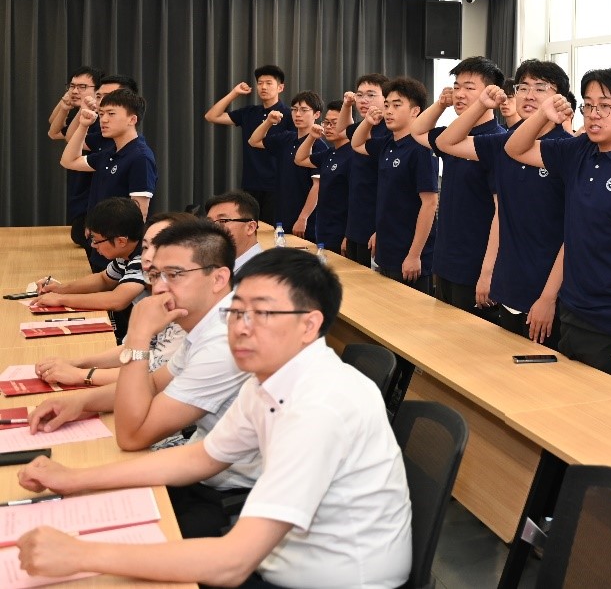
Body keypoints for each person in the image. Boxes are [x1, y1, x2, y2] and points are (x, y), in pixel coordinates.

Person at [15, 249, 412, 589]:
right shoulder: (270, 377)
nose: (240, 328)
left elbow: (231, 563)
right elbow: (201, 457)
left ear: (309, 324)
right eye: (237, 312)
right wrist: (74, 478)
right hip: (282, 557)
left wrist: (81, 555)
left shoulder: (320, 409)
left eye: (262, 314)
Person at [27, 219, 258, 537]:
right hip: (198, 468)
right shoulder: (207, 323)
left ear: (218, 278)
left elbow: (133, 436)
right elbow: (151, 384)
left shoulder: (224, 341)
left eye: (174, 275)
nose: (159, 287)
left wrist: (138, 336)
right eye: (155, 275)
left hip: (232, 497)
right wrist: (80, 402)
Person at [505, 66, 611, 381]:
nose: (594, 114)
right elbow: (514, 149)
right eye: (588, 105)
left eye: (605, 106)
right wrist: (543, 115)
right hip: (572, 312)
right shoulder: (579, 150)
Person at [433, 60, 570, 342]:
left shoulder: (568, 149)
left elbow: (573, 233)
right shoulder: (504, 144)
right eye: (523, 88)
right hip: (509, 284)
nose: (529, 95)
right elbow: (446, 143)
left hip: (548, 291)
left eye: (540, 88)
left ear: (560, 98)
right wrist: (481, 105)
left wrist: (549, 297)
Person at [33, 211, 197, 394]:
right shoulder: (160, 296)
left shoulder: (190, 308)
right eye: (145, 247)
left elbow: (152, 376)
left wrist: (82, 374)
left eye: (159, 246)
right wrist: (77, 363)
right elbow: (132, 351)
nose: (147, 256)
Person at [411, 57, 506, 311]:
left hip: (475, 267)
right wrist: (440, 104)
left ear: (490, 92)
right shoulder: (453, 136)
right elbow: (417, 131)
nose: (459, 94)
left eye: (469, 87)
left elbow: (502, 212)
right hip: (445, 263)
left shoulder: (498, 141)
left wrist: (488, 272)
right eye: (456, 87)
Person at [352, 76, 437, 293]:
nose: (389, 111)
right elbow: (357, 143)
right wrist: (368, 122)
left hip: (410, 255)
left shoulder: (421, 148)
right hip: (386, 249)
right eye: (387, 105)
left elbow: (429, 204)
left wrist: (415, 255)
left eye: (397, 105)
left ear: (415, 111)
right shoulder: (388, 143)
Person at [29, 197, 149, 342]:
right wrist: (60, 289)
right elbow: (103, 279)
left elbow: (116, 300)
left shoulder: (145, 259)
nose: (93, 245)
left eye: (96, 240)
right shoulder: (126, 253)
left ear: (121, 241)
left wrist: (61, 299)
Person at [60, 88, 157, 229]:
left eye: (111, 114)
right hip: (99, 233)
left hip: (118, 237)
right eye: (101, 114)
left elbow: (139, 213)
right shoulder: (110, 153)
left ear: (132, 119)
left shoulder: (140, 157)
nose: (103, 119)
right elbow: (68, 161)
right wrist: (83, 125)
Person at [204, 65, 289, 224]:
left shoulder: (289, 115)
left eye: (269, 83)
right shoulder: (250, 112)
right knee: (249, 228)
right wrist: (234, 93)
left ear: (280, 87)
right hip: (251, 183)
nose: (263, 87)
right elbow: (211, 116)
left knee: (272, 231)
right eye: (260, 83)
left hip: (277, 185)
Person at [249, 91, 323, 239]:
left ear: (317, 114)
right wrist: (269, 122)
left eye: (304, 110)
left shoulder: (319, 146)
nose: (298, 114)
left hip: (305, 219)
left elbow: (317, 187)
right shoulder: (287, 138)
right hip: (282, 212)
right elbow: (253, 141)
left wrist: (303, 218)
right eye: (294, 109)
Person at [46, 65, 102, 247]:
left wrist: (81, 111)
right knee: (78, 234)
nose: (75, 91)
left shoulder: (100, 119)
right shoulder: (82, 115)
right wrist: (64, 107)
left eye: (82, 87)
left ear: (98, 91)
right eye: (72, 86)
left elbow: (69, 137)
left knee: (81, 236)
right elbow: (53, 131)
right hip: (79, 185)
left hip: (93, 191)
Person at [340, 73, 388, 267]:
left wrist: (381, 229)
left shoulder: (389, 130)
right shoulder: (362, 126)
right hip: (356, 221)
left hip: (377, 222)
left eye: (371, 95)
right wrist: (346, 105)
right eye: (359, 95)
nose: (363, 100)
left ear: (386, 98)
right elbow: (342, 131)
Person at [296, 102, 352, 254]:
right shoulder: (330, 153)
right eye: (326, 122)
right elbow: (300, 159)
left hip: (342, 230)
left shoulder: (353, 154)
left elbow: (356, 199)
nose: (328, 127)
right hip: (323, 227)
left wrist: (348, 235)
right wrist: (312, 137)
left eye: (334, 123)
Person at [204, 191, 265, 270]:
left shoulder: (263, 271)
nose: (213, 228)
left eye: (222, 221)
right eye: (209, 222)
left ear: (250, 227)